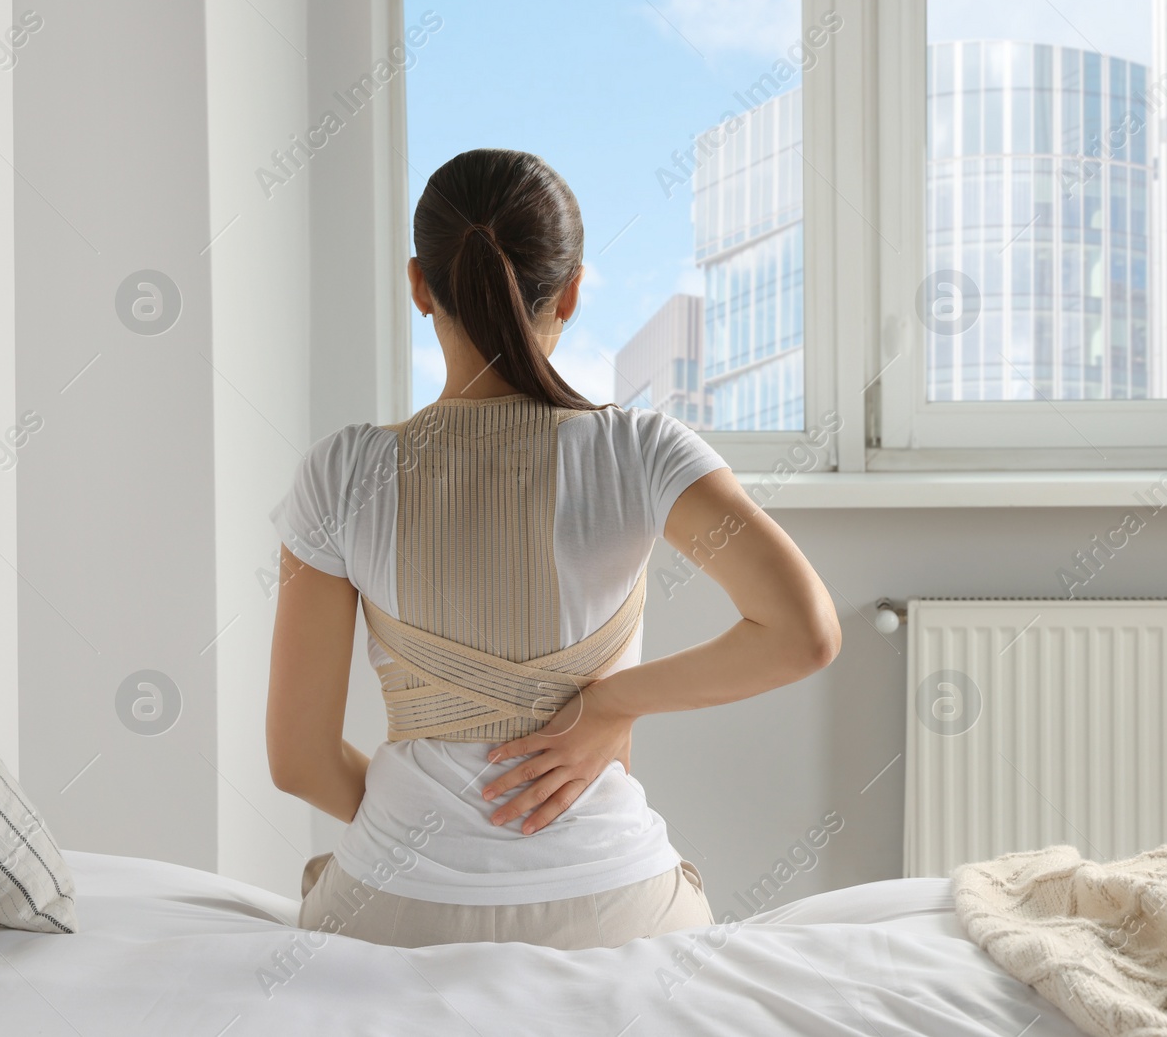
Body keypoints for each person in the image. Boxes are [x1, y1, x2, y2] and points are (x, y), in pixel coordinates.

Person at [264, 148, 841, 951]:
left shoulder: (342, 471)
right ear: (571, 291)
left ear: (419, 284)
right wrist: (609, 703)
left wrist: (424, 830)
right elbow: (804, 631)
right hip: (610, 904)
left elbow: (296, 759)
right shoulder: (639, 452)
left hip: (390, 911)